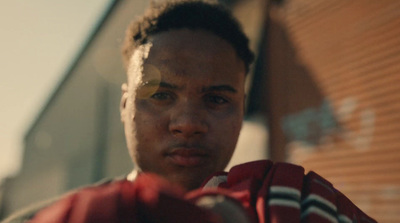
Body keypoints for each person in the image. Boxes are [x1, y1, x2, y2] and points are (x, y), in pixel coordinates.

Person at [2, 0, 376, 222]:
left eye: (216, 99)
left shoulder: (299, 209)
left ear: (242, 110)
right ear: (124, 105)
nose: (188, 124)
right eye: (161, 95)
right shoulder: (47, 219)